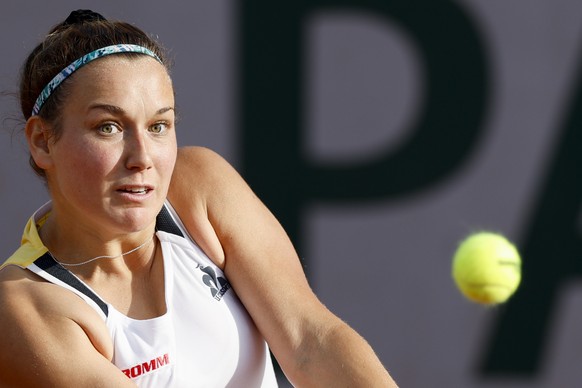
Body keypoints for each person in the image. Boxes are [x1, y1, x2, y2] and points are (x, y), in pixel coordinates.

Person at [0, 9, 398, 387]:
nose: (142, 158)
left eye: (159, 125)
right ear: (42, 141)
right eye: (108, 127)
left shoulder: (200, 185)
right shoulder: (22, 305)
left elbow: (311, 342)